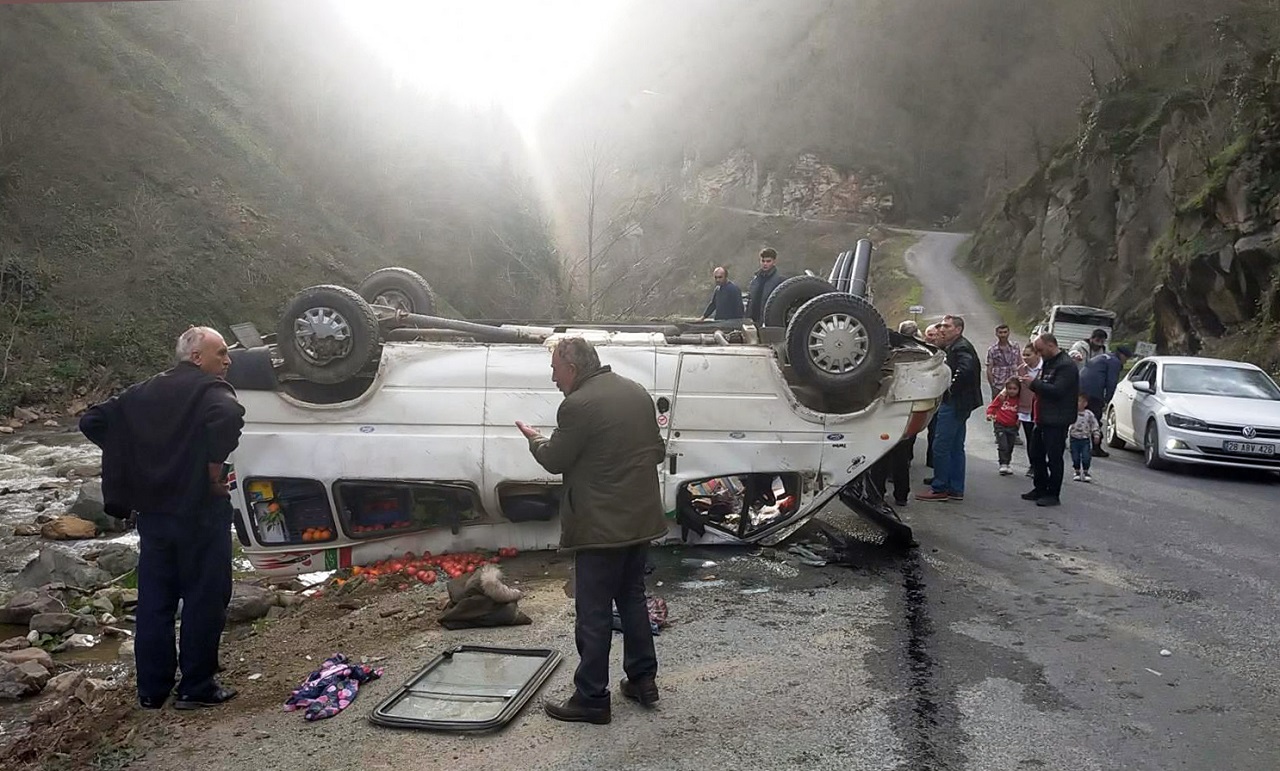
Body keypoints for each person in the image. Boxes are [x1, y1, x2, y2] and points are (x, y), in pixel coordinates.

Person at [79, 327, 244, 710]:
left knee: (155, 603)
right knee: (204, 599)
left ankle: (152, 690)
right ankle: (196, 687)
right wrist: (213, 467)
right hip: (199, 512)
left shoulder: (143, 391)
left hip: (154, 514)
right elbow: (229, 414)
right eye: (221, 352)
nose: (228, 360)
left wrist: (135, 454)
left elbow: (92, 422)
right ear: (198, 358)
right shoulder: (211, 390)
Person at [516, 338, 667, 725]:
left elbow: (554, 459)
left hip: (602, 527)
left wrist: (534, 438)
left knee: (594, 613)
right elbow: (657, 451)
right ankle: (643, 680)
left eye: (555, 369)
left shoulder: (578, 405)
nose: (553, 377)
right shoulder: (637, 393)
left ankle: (591, 698)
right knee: (632, 599)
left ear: (573, 367)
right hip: (640, 521)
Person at [916, 315, 982, 502]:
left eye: (947, 326)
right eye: (941, 326)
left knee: (941, 445)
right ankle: (954, 486)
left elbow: (965, 369)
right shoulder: (957, 345)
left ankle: (940, 487)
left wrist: (949, 388)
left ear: (958, 329)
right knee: (955, 446)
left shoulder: (960, 347)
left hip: (955, 402)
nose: (942, 329)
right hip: (963, 403)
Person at [1021, 333, 1080, 508]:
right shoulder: (1049, 362)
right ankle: (1039, 487)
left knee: (1054, 457)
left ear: (1050, 345)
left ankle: (1053, 493)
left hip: (1057, 419)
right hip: (1042, 416)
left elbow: (1057, 390)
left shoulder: (1066, 366)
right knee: (1036, 453)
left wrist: (1034, 384)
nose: (1039, 354)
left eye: (1040, 350)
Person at [1079, 345, 1132, 458]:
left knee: (1079, 416)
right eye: (1126, 358)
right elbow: (1111, 382)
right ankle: (1096, 447)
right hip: (1093, 392)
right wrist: (1107, 400)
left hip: (1080, 387)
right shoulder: (1115, 362)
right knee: (1095, 419)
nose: (1125, 361)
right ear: (1122, 355)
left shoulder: (1104, 357)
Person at [985, 377, 1023, 476]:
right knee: (1003, 445)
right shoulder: (1002, 397)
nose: (1012, 391)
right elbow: (992, 406)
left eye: (1015, 389)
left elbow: (1022, 412)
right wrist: (989, 414)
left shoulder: (1020, 400)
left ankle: (1007, 463)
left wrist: (1018, 421)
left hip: (1012, 426)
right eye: (1010, 388)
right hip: (1000, 425)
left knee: (1010, 446)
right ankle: (1003, 463)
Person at [1017, 344, 1042, 477]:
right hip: (1026, 409)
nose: (1025, 358)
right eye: (1024, 355)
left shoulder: (1045, 369)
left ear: (1037, 354)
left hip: (1042, 409)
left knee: (1041, 439)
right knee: (1030, 439)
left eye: (1028, 355)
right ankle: (1033, 465)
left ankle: (1041, 464)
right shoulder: (1021, 370)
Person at [746, 247, 785, 326]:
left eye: (768, 261)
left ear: (774, 262)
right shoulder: (755, 279)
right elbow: (750, 300)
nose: (765, 264)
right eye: (763, 261)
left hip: (769, 321)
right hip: (753, 320)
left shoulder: (779, 281)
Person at [1069, 394, 1102, 483]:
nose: (1078, 404)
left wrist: (1096, 435)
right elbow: (1067, 425)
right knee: (1075, 456)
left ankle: (1086, 471)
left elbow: (1094, 424)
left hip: (1085, 439)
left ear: (1085, 403)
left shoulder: (1089, 414)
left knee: (1086, 456)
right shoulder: (1071, 413)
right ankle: (1077, 471)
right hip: (1074, 438)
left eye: (1080, 401)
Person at [985, 324, 1021, 403]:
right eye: (1000, 333)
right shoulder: (992, 350)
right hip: (999, 384)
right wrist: (992, 385)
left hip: (1014, 383)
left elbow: (1020, 362)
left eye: (1005, 332)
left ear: (1008, 333)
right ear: (996, 334)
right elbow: (989, 369)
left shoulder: (1015, 346)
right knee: (997, 407)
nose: (1003, 335)